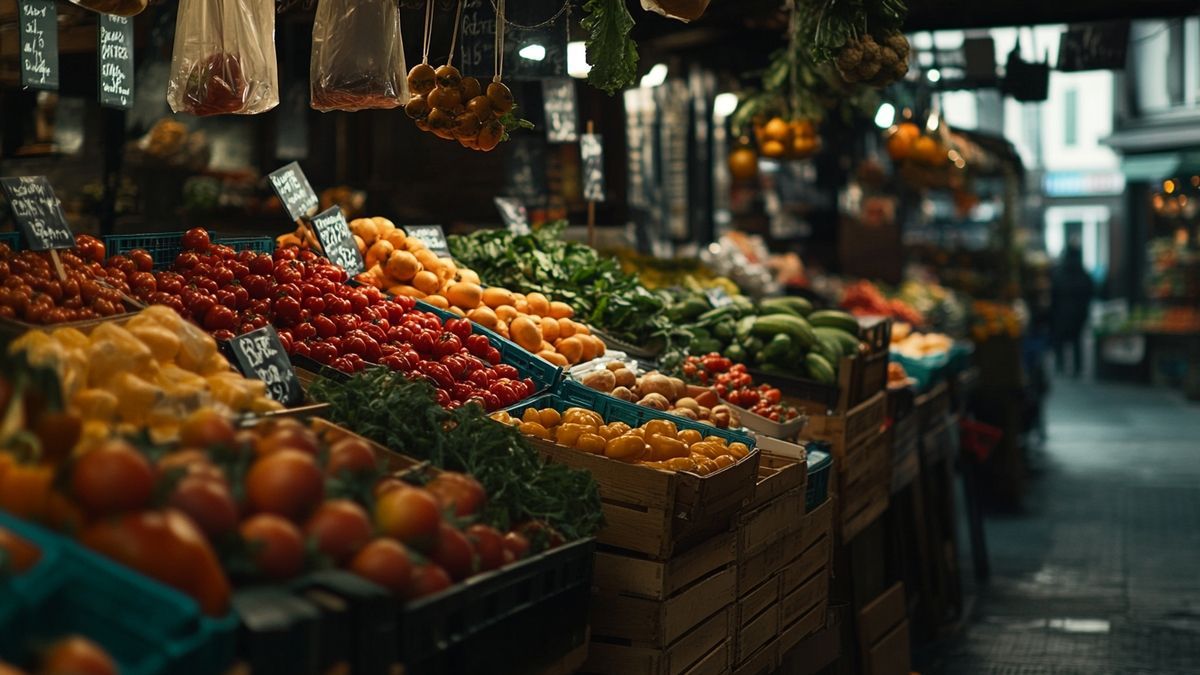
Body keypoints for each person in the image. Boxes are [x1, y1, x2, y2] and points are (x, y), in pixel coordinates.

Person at [1050, 243, 1093, 377]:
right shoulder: (1083, 273)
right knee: (1076, 341)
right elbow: (1091, 291)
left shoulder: (1059, 273)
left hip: (1061, 312)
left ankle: (1060, 364)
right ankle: (1077, 368)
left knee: (1060, 340)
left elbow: (1054, 293)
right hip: (1079, 312)